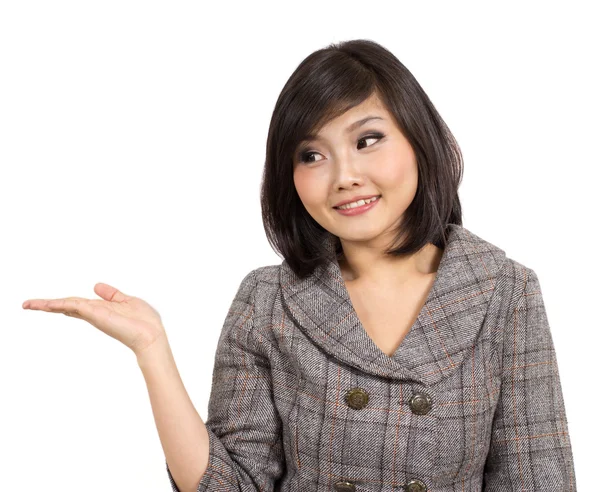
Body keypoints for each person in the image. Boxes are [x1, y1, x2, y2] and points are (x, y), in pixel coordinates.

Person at [22, 39, 577, 491]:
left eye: (368, 140)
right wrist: (153, 351)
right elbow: (231, 488)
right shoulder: (267, 301)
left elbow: (539, 479)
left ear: (419, 141)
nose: (343, 176)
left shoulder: (503, 291)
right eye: (312, 155)